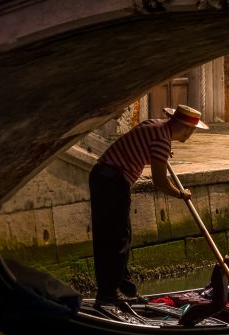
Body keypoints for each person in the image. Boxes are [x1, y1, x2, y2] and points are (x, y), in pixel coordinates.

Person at [89, 104, 208, 306]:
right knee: (117, 237)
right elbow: (160, 182)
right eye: (192, 130)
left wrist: (158, 155)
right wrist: (180, 194)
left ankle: (121, 286)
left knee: (116, 235)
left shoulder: (155, 126)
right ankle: (109, 293)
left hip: (103, 177)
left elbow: (140, 146)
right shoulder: (162, 139)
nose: (191, 135)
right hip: (113, 181)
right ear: (186, 128)